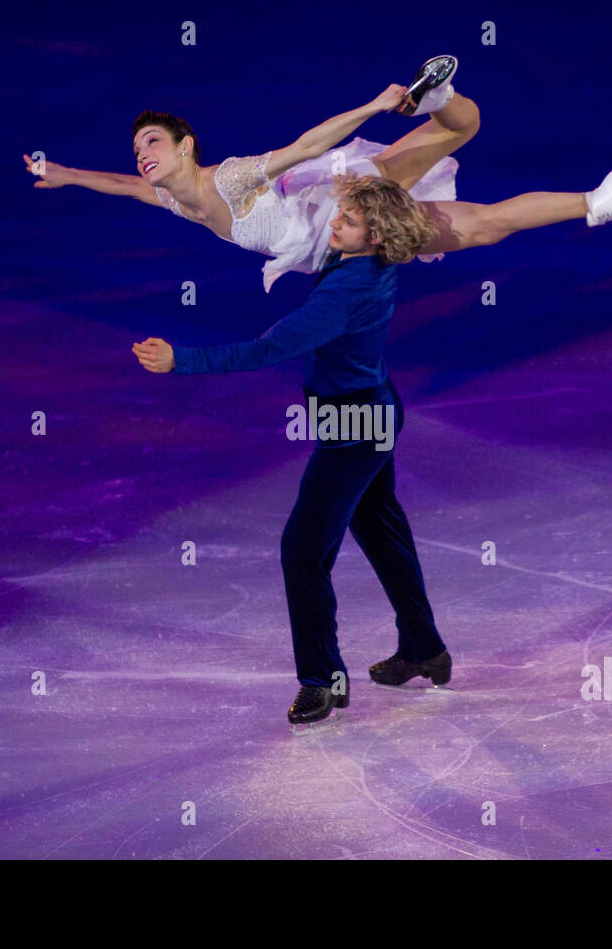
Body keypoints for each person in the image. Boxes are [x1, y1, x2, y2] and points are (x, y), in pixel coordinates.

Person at [132, 174, 454, 725]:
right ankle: (425, 649)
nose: (334, 222)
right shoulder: (372, 262)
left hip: (352, 428)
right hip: (373, 408)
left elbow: (267, 349)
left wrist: (179, 361)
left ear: (375, 236)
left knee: (302, 552)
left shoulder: (341, 297)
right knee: (382, 531)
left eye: (348, 220)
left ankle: (321, 681)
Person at [28, 55, 612, 294]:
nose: (141, 154)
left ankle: (432, 102)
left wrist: (373, 105)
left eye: (151, 142)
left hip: (347, 206)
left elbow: (305, 143)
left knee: (476, 207)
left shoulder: (229, 180)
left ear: (186, 146)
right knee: (480, 218)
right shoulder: (176, 201)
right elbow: (117, 184)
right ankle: (609, 194)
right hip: (346, 225)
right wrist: (62, 174)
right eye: (137, 146)